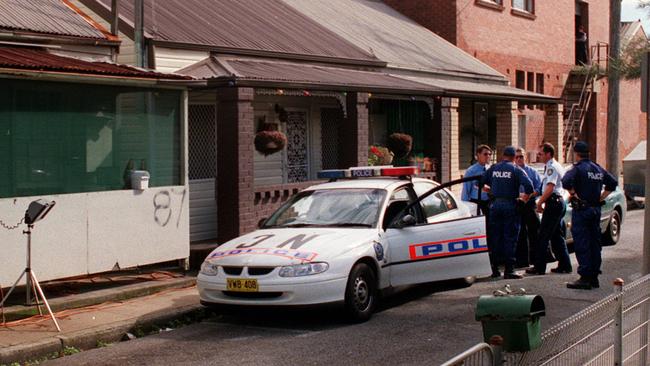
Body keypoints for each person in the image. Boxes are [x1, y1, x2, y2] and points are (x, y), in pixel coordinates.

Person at [562, 141, 617, 290]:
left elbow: (565, 181)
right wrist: (601, 197)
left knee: (582, 242)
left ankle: (585, 277)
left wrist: (573, 194)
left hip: (582, 210)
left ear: (576, 154)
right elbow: (613, 182)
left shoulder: (578, 168)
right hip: (595, 210)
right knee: (594, 243)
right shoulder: (597, 168)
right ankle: (593, 276)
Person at [482, 146, 534, 279]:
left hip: (495, 205)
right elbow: (529, 187)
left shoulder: (493, 168)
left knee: (495, 237)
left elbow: (481, 183)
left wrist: (492, 192)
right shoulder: (516, 169)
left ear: (503, 155)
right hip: (510, 205)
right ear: (513, 157)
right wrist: (524, 199)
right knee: (510, 237)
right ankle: (509, 270)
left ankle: (494, 269)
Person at [526, 143, 572, 276]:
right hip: (556, 202)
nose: (538, 156)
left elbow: (550, 187)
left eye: (540, 154)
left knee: (543, 235)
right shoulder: (551, 166)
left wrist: (539, 203)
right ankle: (565, 265)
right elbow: (543, 188)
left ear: (548, 154)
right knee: (556, 236)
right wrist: (533, 195)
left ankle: (539, 267)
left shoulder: (552, 167)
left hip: (554, 203)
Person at [462, 145, 499, 276]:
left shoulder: (491, 169)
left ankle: (492, 263)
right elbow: (466, 189)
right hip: (476, 202)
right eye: (485, 154)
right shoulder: (472, 171)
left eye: (489, 154)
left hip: (489, 202)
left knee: (490, 232)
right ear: (478, 155)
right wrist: (465, 206)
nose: (488, 156)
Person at [514, 148, 542, 268]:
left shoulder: (532, 172)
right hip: (517, 204)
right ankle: (522, 261)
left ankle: (536, 260)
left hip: (530, 204)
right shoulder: (512, 171)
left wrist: (528, 195)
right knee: (520, 234)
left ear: (525, 157)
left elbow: (539, 188)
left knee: (534, 233)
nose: (519, 159)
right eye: (517, 157)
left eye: (521, 156)